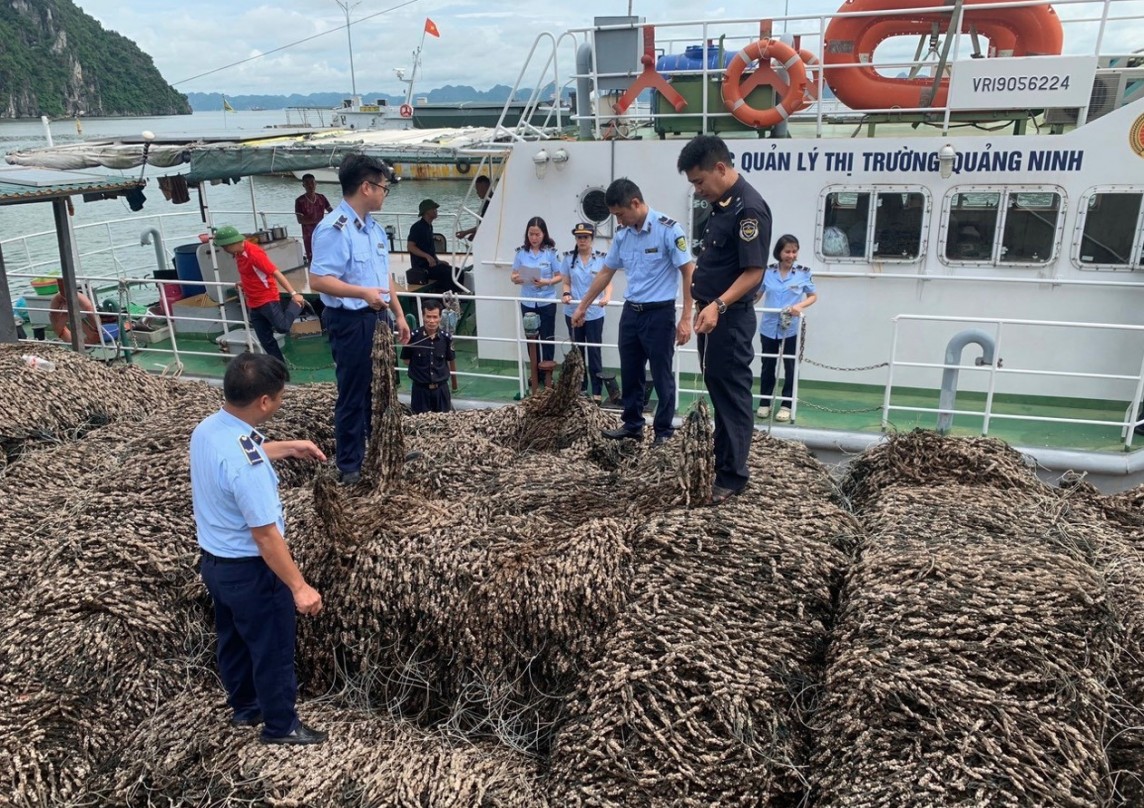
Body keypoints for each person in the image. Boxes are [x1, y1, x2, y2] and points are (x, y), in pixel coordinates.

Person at [189, 351, 328, 745]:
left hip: (216, 564)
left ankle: (245, 708)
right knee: (272, 648)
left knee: (232, 637)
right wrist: (299, 587)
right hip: (251, 572)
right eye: (280, 396)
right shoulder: (247, 470)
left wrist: (289, 447)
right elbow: (266, 537)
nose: (281, 401)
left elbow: (235, 456)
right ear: (264, 401)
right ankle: (281, 725)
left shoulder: (208, 429)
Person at [678, 134, 771, 504]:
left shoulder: (749, 209)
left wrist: (717, 304)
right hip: (713, 314)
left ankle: (732, 477)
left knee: (732, 395)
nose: (698, 190)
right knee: (718, 388)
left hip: (727, 318)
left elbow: (754, 272)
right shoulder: (723, 205)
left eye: (700, 181)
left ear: (720, 168)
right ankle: (724, 462)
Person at [309, 154, 411, 486]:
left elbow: (384, 277)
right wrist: (362, 293)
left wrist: (398, 313)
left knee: (382, 387)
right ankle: (350, 462)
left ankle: (383, 446)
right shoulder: (334, 229)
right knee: (353, 392)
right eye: (383, 187)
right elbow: (319, 280)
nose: (384, 193)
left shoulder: (374, 229)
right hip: (350, 322)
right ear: (366, 187)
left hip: (379, 318)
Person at [572, 178, 694, 445]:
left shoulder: (668, 230)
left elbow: (688, 272)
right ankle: (633, 425)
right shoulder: (622, 237)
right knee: (630, 371)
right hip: (632, 313)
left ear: (635, 203)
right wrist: (583, 306)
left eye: (620, 214)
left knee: (662, 375)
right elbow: (606, 272)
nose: (619, 221)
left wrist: (686, 317)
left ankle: (663, 431)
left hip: (659, 314)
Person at [213, 224, 305, 363]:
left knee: (282, 327)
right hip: (253, 301)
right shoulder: (238, 254)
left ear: (233, 243)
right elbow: (252, 273)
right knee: (266, 340)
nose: (224, 250)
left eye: (225, 246)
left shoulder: (254, 254)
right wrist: (244, 283)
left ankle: (297, 305)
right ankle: (279, 369)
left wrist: (293, 293)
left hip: (267, 298)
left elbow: (275, 272)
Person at [755, 234, 818, 423]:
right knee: (768, 365)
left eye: (794, 251)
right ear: (779, 253)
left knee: (790, 366)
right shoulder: (768, 272)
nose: (791, 255)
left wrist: (799, 307)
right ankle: (765, 402)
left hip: (790, 329)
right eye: (787, 251)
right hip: (769, 327)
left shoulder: (803, 273)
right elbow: (758, 294)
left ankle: (786, 405)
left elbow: (813, 296)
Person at [560, 222, 611, 401]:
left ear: (592, 239)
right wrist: (566, 293)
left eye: (585, 237)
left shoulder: (601, 258)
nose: (582, 240)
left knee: (594, 352)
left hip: (595, 313)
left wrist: (607, 296)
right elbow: (566, 282)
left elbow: (607, 282)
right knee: (578, 350)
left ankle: (596, 391)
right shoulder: (568, 259)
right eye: (579, 237)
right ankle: (581, 388)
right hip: (573, 311)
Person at [511, 216, 563, 388]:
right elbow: (513, 275)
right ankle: (535, 373)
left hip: (546, 300)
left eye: (537, 234)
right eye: (531, 234)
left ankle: (548, 374)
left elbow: (559, 275)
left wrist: (545, 282)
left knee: (547, 338)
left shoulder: (550, 252)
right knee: (531, 338)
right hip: (528, 301)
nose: (534, 238)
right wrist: (518, 279)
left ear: (544, 234)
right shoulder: (521, 253)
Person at [400, 298, 455, 413]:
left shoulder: (446, 339)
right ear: (423, 317)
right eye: (428, 317)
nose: (431, 321)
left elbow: (450, 360)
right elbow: (406, 360)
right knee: (420, 425)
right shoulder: (413, 338)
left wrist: (454, 384)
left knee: (445, 425)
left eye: (435, 317)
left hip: (441, 390)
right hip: (420, 392)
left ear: (440, 318)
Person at [408, 199, 462, 294]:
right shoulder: (417, 227)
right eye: (434, 209)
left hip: (432, 265)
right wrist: (427, 256)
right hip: (422, 267)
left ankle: (457, 297)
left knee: (457, 272)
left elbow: (430, 250)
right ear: (427, 211)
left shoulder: (429, 226)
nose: (436, 211)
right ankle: (448, 298)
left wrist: (438, 260)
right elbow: (410, 247)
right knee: (448, 274)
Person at [294, 174, 333, 264]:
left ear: (316, 184)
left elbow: (331, 212)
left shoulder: (322, 198)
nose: (310, 185)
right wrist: (318, 221)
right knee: (312, 259)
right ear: (303, 185)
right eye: (307, 183)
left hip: (322, 232)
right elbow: (300, 220)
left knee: (325, 256)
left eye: (312, 182)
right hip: (308, 235)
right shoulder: (299, 201)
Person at [455, 175, 492, 241]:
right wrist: (475, 233)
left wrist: (465, 232)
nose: (477, 192)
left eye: (478, 189)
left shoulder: (490, 202)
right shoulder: (487, 202)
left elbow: (484, 224)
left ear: (485, 187)